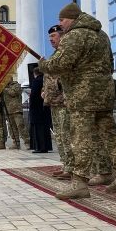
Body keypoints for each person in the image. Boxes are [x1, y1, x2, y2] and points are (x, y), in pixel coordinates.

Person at [38, 3, 116, 199]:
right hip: (103, 93)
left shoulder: (75, 36)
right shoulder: (101, 35)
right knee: (110, 136)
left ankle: (79, 182)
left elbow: (61, 64)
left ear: (71, 18)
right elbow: (110, 63)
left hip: (82, 95)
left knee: (80, 137)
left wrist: (44, 65)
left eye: (62, 20)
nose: (60, 24)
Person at [43, 25, 72, 179]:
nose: (50, 40)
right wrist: (44, 91)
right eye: (49, 37)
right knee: (59, 136)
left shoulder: (66, 54)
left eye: (53, 36)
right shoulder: (55, 55)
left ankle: (71, 167)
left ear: (62, 36)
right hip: (53, 102)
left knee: (66, 135)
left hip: (63, 102)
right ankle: (66, 164)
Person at [29, 67, 53, 153]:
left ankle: (41, 147)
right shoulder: (45, 80)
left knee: (39, 130)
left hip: (37, 110)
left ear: (34, 73)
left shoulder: (36, 81)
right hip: (45, 108)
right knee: (45, 129)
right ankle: (47, 146)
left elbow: (34, 96)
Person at [2, 80, 30, 150]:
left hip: (16, 110)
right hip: (8, 110)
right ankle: (16, 142)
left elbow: (13, 93)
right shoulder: (4, 87)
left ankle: (27, 142)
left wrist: (5, 89)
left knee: (20, 126)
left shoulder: (15, 85)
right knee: (12, 128)